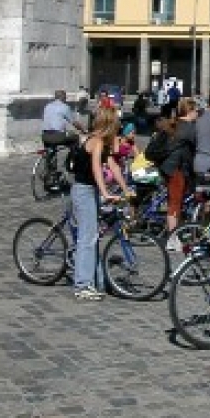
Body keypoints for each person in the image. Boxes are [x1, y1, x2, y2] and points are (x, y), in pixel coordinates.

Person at [70, 105, 128, 301]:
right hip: (84, 191)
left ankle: (95, 281)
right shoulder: (95, 142)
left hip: (89, 190)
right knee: (87, 239)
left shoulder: (102, 141)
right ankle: (82, 285)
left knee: (92, 237)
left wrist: (126, 188)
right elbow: (96, 168)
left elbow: (112, 165)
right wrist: (105, 193)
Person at [158, 97, 198, 250]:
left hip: (168, 167)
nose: (197, 114)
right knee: (175, 203)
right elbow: (196, 147)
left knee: (174, 201)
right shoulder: (188, 128)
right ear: (189, 111)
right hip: (177, 169)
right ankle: (172, 238)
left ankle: (174, 235)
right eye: (195, 111)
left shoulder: (176, 124)